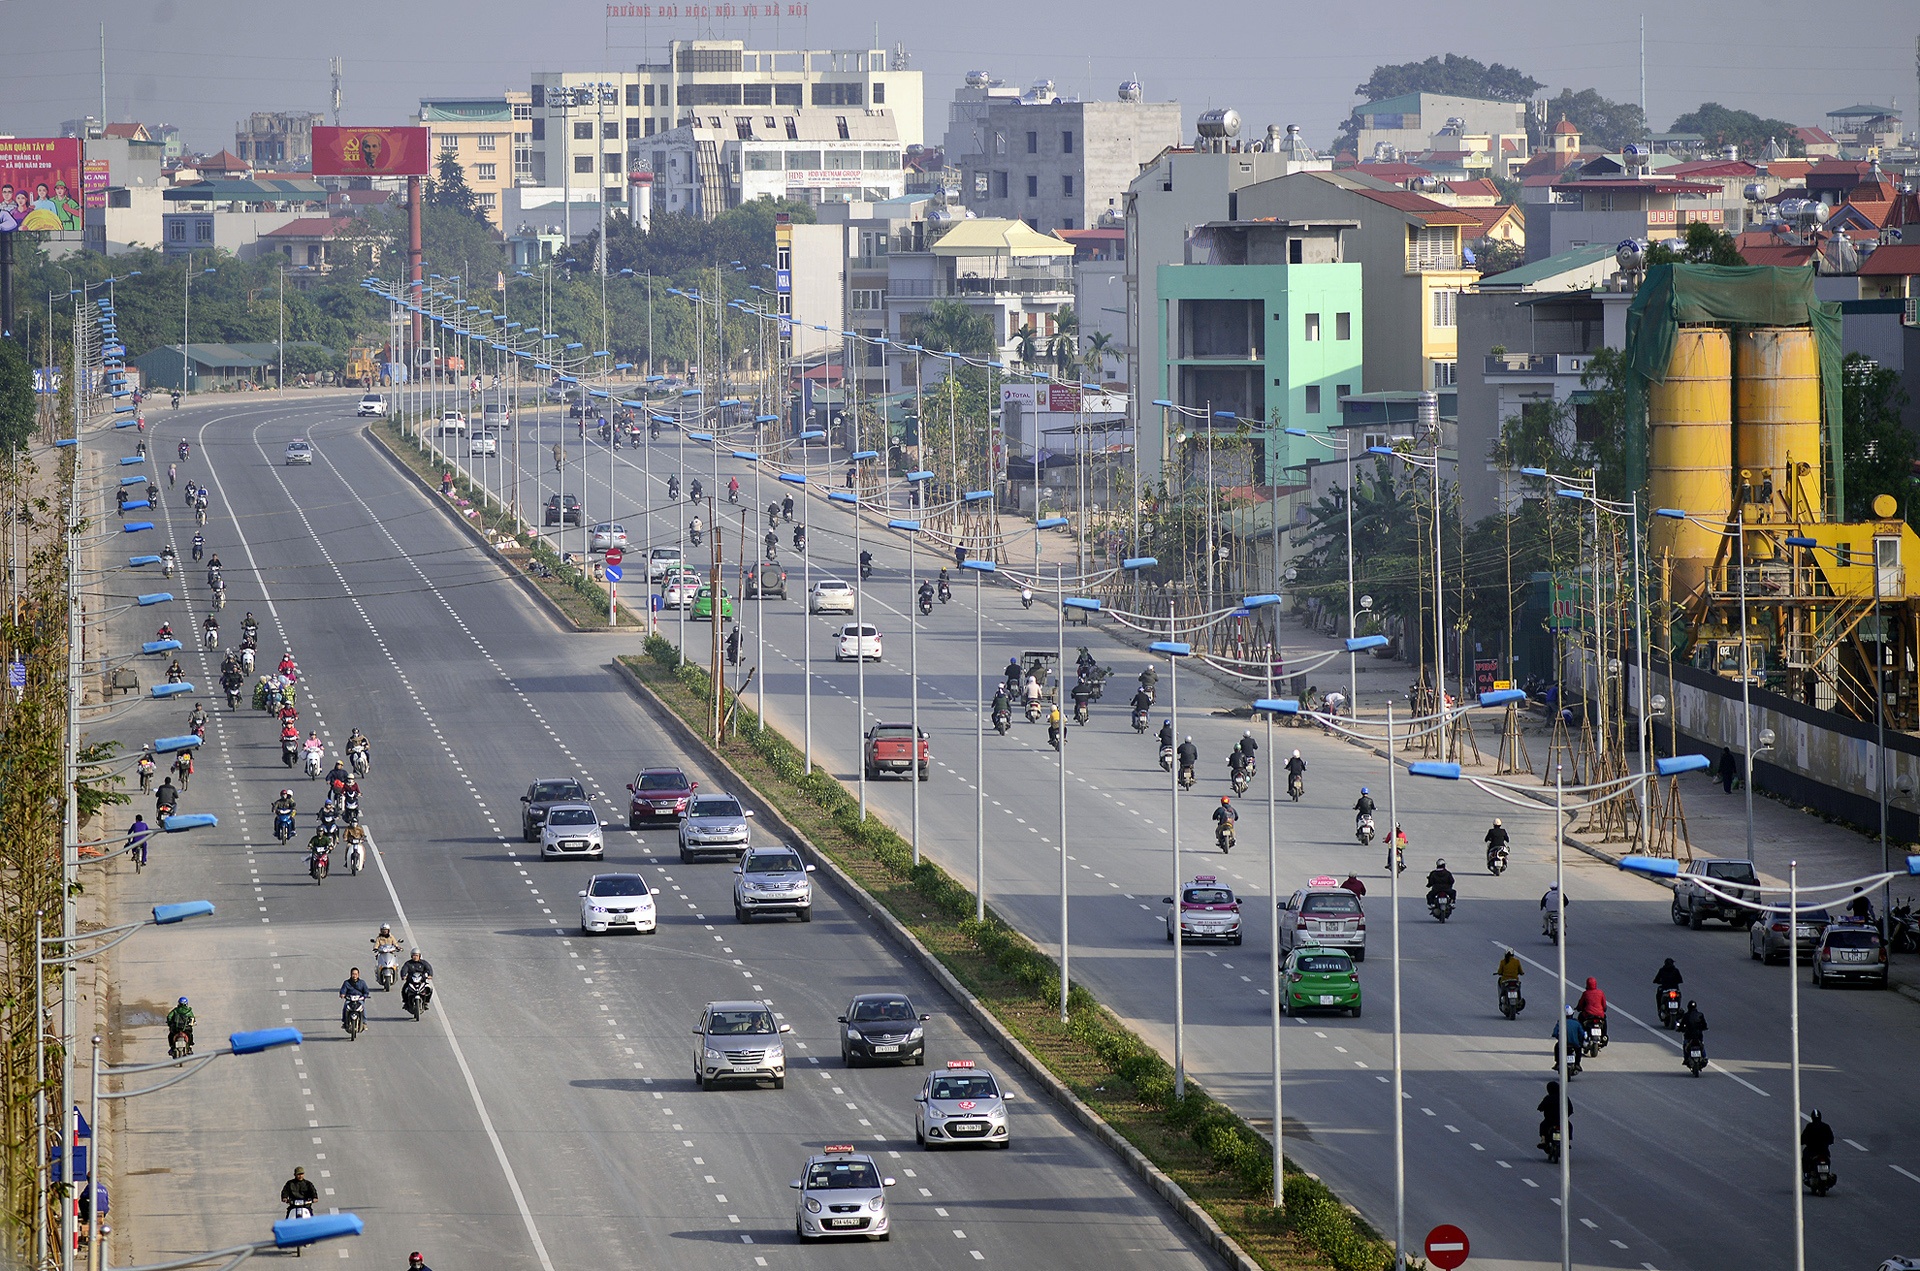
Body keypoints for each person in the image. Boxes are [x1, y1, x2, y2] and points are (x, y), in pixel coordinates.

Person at [1537, 1079, 1570, 1148]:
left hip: (1550, 1120)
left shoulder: (1548, 1098)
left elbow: (1541, 1107)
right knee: (1569, 1127)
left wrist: (1541, 1109)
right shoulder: (1564, 1098)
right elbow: (1570, 1109)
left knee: (1543, 1126)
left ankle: (1543, 1141)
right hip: (1561, 1120)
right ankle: (1568, 1141)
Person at [1552, 1006, 1584, 1073]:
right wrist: (1580, 1041)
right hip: (1575, 1044)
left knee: (1556, 1047)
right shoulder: (1577, 1023)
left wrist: (1558, 1037)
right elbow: (1582, 1034)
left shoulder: (1560, 1022)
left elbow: (1555, 1033)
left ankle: (1558, 1063)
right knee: (1579, 1050)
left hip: (1563, 1044)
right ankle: (1577, 1064)